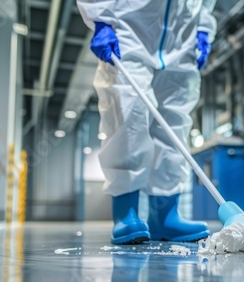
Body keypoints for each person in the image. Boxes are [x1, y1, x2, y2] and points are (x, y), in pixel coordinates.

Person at [77, 0, 217, 244]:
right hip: (130, 25)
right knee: (128, 113)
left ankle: (164, 216)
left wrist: (203, 26)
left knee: (174, 121)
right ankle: (126, 214)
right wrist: (99, 15)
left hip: (182, 32)